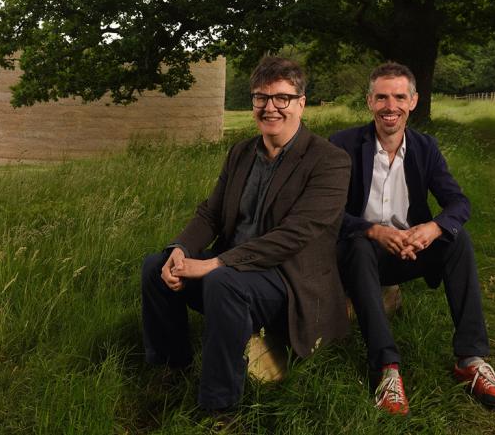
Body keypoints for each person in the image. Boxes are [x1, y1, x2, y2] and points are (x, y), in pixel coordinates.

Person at [141, 56, 351, 418]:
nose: (270, 107)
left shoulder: (330, 160)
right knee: (155, 266)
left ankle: (219, 408)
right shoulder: (241, 152)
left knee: (223, 282)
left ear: (301, 103)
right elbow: (210, 212)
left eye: (282, 98)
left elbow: (293, 236)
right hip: (233, 268)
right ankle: (171, 367)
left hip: (288, 278)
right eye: (261, 98)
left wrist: (215, 263)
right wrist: (181, 249)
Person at [329, 62, 495, 416]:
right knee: (358, 245)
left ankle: (471, 359)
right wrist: (373, 230)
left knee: (457, 239)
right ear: (369, 101)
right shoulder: (343, 145)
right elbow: (326, 211)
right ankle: (386, 369)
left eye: (400, 97)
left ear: (413, 101)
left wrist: (434, 228)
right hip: (360, 254)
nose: (390, 106)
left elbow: (458, 202)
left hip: (410, 251)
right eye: (382, 97)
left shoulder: (425, 147)